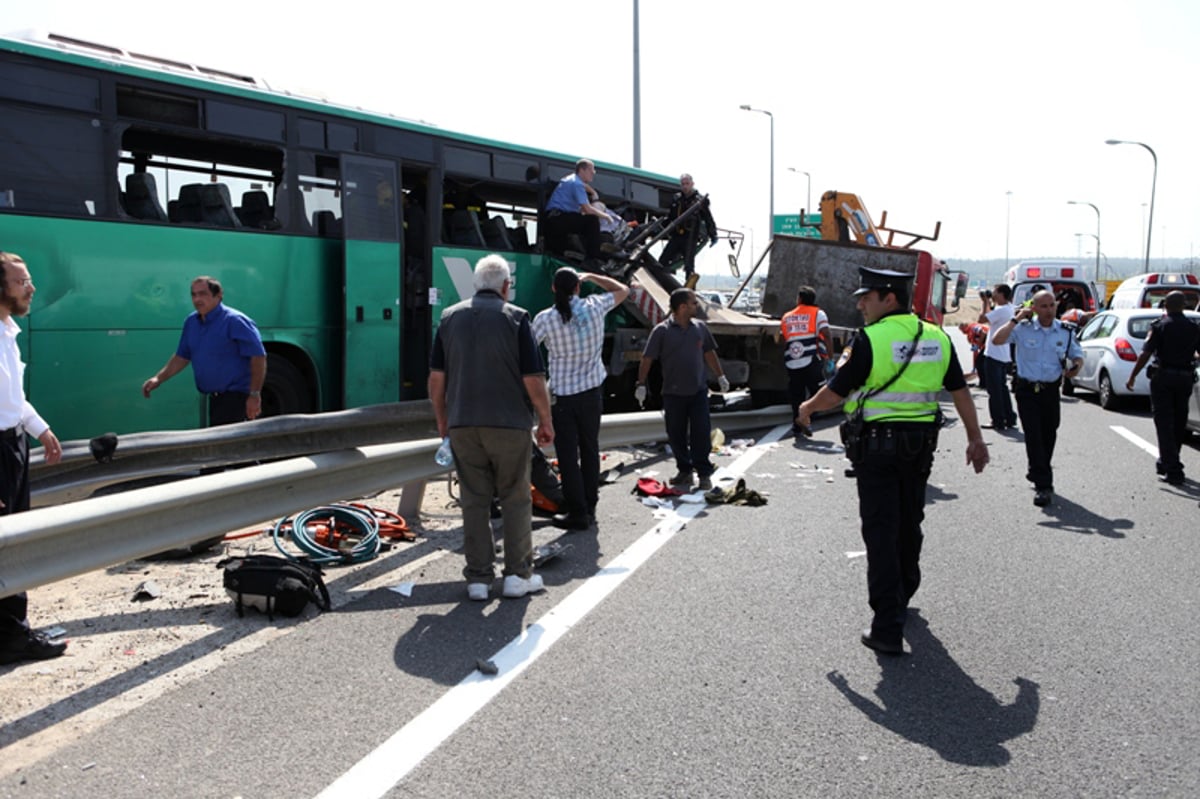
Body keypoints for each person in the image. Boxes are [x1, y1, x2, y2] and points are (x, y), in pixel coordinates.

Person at [796, 267, 989, 655]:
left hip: (878, 449)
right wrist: (975, 438)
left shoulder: (871, 339)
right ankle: (904, 592)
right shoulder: (936, 336)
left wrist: (806, 408)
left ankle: (886, 626)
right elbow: (960, 391)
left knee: (881, 531)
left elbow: (837, 392)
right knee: (909, 521)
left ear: (890, 299)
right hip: (920, 448)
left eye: (867, 297)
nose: (860, 304)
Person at [428, 254, 555, 601]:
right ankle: (517, 576)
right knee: (515, 498)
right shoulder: (516, 319)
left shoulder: (449, 318)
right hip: (509, 423)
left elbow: (436, 378)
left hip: (463, 423)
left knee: (474, 501)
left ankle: (478, 580)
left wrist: (443, 418)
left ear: (476, 284)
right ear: (505, 286)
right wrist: (545, 420)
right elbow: (533, 378)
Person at [0, 251, 67, 665]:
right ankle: (10, 637)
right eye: (22, 281)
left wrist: (40, 431)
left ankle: (9, 630)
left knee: (14, 542)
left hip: (12, 447)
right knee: (8, 548)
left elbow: (13, 401)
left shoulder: (7, 332)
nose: (32, 287)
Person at [532, 268, 631, 530]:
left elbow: (528, 351)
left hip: (563, 397)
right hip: (592, 393)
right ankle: (590, 503)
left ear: (554, 289)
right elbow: (624, 290)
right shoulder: (595, 306)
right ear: (578, 287)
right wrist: (593, 277)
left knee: (567, 455)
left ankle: (577, 512)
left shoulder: (545, 319)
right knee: (590, 449)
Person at [991, 289, 1083, 507]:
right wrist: (1016, 319)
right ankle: (1044, 485)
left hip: (1050, 390)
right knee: (1033, 435)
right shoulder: (1023, 329)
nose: (1049, 310)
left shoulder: (1065, 331)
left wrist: (1076, 367)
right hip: (1027, 390)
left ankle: (1036, 471)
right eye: (1043, 306)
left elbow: (1076, 355)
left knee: (1049, 433)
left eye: (1052, 305)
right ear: (1034, 308)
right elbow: (997, 340)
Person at [635, 288, 730, 491]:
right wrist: (640, 384)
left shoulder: (700, 328)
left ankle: (704, 473)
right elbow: (647, 358)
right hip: (672, 394)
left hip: (698, 392)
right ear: (682, 307)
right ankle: (685, 471)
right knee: (676, 434)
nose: (697, 306)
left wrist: (720, 375)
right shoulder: (661, 331)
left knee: (701, 433)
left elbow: (709, 353)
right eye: (694, 303)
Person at [142, 276, 267, 426]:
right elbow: (182, 356)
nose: (197, 299)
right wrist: (158, 379)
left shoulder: (235, 321)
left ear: (218, 295)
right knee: (219, 446)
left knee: (229, 446)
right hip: (214, 399)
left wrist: (254, 395)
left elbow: (258, 357)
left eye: (203, 294)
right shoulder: (191, 322)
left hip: (237, 399)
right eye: (193, 295)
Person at [1126, 290, 1200, 485]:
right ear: (1184, 305)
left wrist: (1133, 375)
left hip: (1164, 378)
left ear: (1165, 305)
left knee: (1164, 423)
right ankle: (1166, 462)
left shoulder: (1160, 326)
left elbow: (1146, 353)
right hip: (1184, 379)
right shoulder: (1194, 328)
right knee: (1178, 422)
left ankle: (1174, 470)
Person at [781, 285, 830, 438]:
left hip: (792, 361)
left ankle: (797, 425)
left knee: (796, 394)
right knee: (819, 393)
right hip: (811, 360)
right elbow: (827, 335)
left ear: (800, 299)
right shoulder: (818, 314)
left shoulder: (787, 316)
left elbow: (785, 338)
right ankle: (805, 417)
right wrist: (829, 356)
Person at [542, 159, 610, 267]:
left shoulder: (570, 179)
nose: (593, 173)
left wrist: (592, 192)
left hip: (553, 220)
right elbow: (587, 209)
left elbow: (582, 201)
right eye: (591, 170)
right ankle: (592, 259)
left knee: (582, 222)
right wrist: (606, 216)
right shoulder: (577, 184)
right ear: (582, 170)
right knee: (592, 221)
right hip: (558, 219)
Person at [658, 174, 718, 289]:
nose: (685, 186)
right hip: (676, 236)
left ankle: (690, 292)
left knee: (689, 267)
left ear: (692, 184)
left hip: (690, 238)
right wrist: (659, 228)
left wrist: (713, 235)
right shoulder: (677, 199)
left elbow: (708, 218)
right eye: (683, 184)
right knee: (662, 261)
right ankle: (663, 286)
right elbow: (670, 217)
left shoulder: (700, 201)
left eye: (687, 184)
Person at [978, 283, 1018, 430]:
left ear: (1001, 294)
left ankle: (998, 420)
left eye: (995, 292)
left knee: (994, 390)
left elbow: (982, 319)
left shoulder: (1001, 310)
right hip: (1003, 354)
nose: (993, 294)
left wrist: (985, 303)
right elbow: (990, 319)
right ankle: (1009, 417)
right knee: (1002, 389)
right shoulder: (1009, 309)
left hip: (994, 354)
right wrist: (989, 302)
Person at [957, 321, 989, 389]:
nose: (962, 332)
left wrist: (978, 344)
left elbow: (983, 333)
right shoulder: (969, 335)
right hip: (986, 347)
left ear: (965, 326)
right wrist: (974, 366)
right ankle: (984, 383)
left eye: (962, 329)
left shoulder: (973, 328)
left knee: (981, 364)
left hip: (990, 345)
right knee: (979, 363)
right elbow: (975, 352)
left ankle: (984, 384)